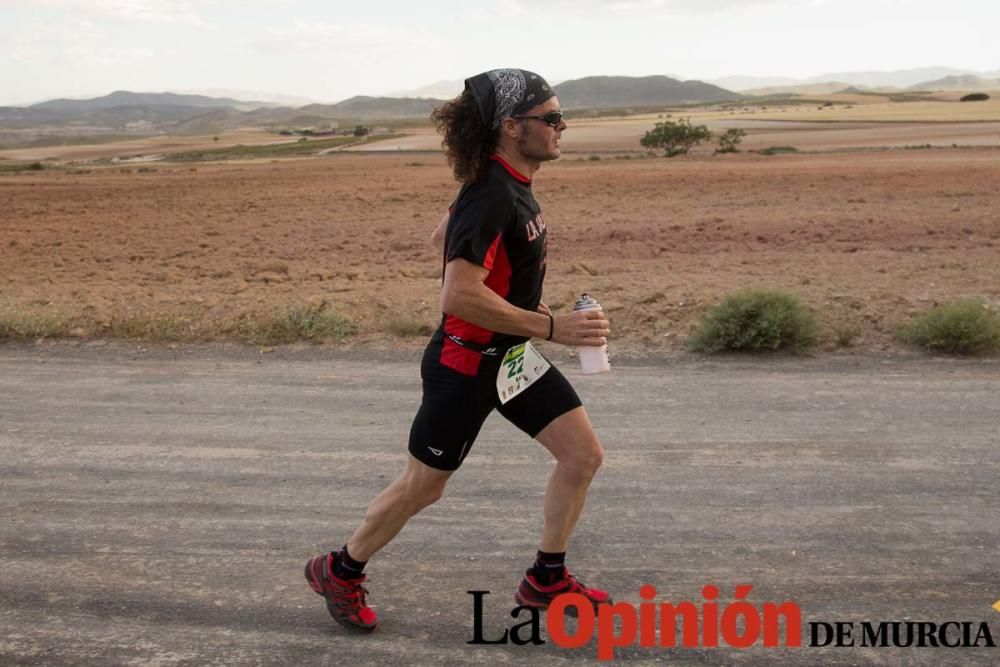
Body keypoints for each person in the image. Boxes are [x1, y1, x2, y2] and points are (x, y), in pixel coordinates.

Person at [304, 68, 612, 632]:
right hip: (466, 365)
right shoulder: (493, 194)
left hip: (511, 360)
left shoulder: (501, 184)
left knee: (582, 456)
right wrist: (552, 329)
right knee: (424, 487)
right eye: (552, 118)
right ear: (511, 126)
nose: (562, 127)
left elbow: (439, 241)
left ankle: (545, 577)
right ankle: (340, 569)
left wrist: (527, 321)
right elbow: (459, 295)